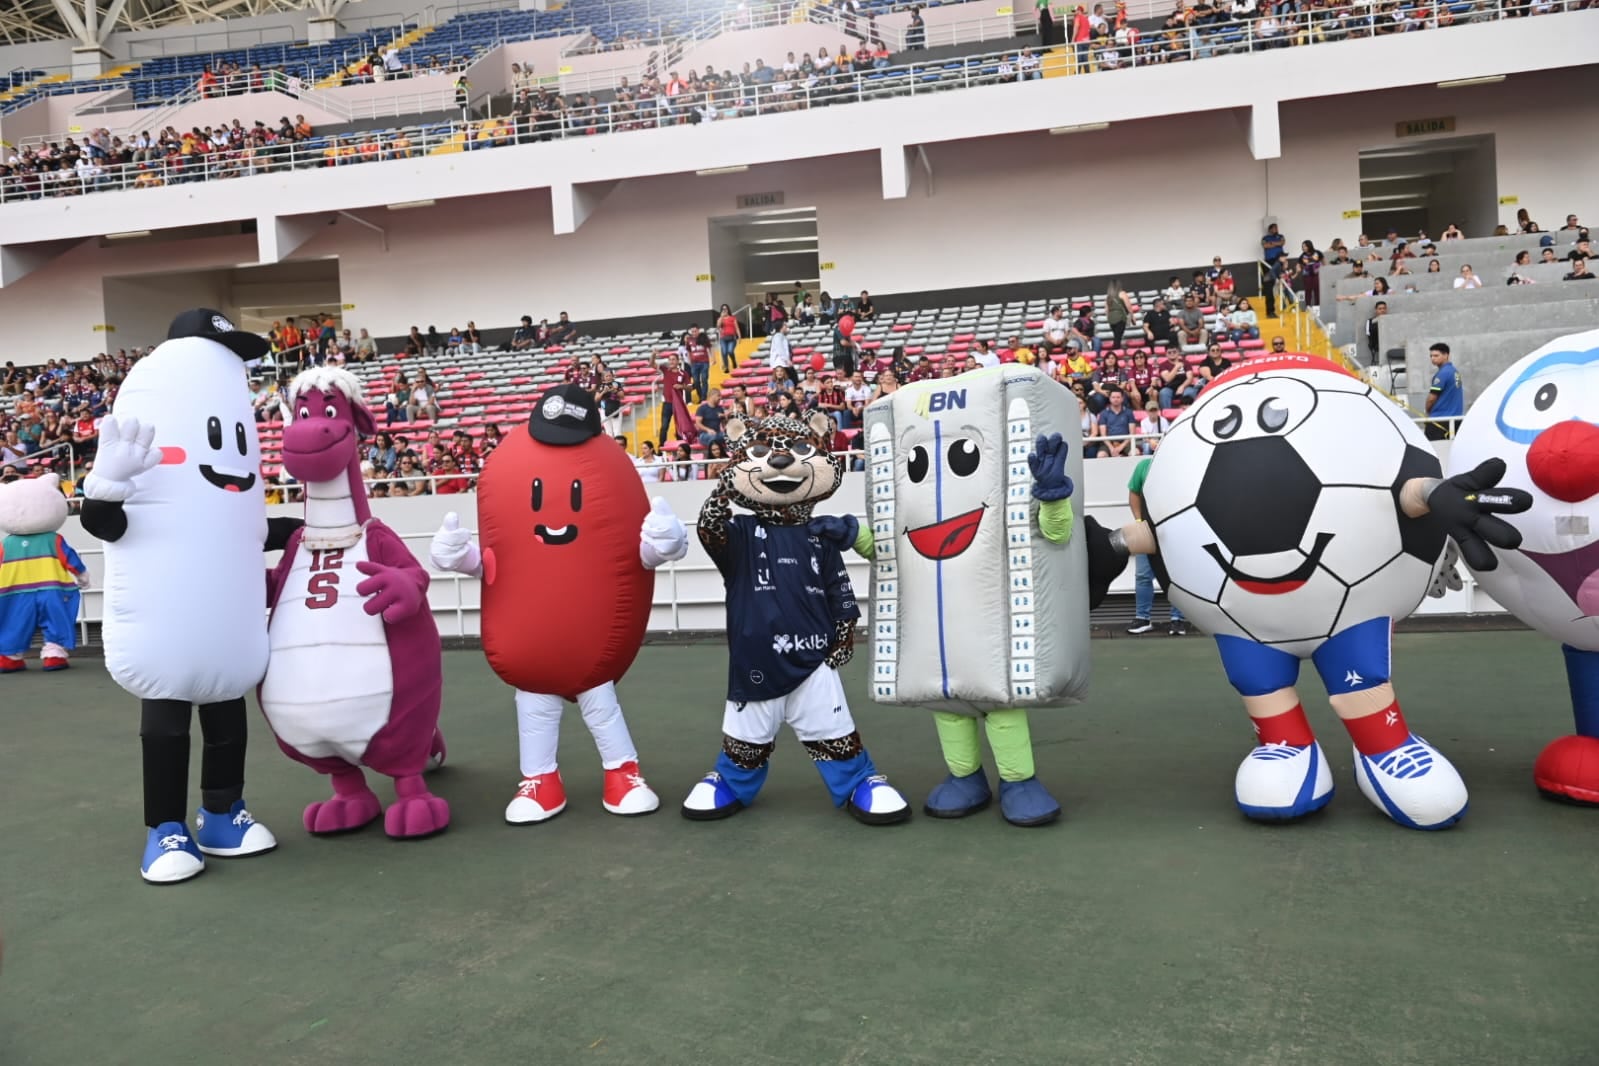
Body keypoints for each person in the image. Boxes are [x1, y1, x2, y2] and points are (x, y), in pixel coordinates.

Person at [1124, 456, 1185, 636]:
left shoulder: (1180, 465)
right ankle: (1142, 618)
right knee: (1143, 575)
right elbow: (1134, 493)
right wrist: (1138, 520)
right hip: (1147, 529)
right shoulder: (1144, 466)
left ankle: (1178, 619)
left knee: (1177, 575)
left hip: (1175, 530)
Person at [1425, 342, 1462, 441]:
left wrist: (1428, 411)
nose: (1433, 358)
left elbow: (1432, 399)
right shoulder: (1454, 371)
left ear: (1446, 355)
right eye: (1431, 356)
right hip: (1455, 420)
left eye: (1436, 355)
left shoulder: (1443, 374)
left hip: (1440, 420)